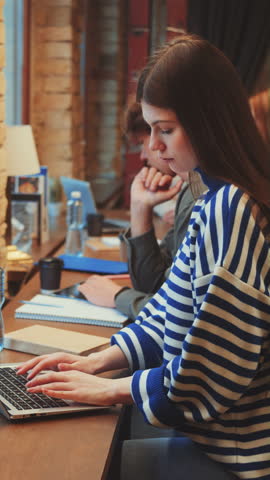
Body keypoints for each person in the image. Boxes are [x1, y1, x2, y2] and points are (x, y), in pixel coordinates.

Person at [17, 34, 270, 480]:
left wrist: (112, 389)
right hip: (218, 440)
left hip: (238, 455)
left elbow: (209, 371)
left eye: (165, 129)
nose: (154, 146)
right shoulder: (213, 196)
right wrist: (97, 362)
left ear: (208, 121)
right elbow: (168, 309)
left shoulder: (232, 208)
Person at [79, 102, 203, 320]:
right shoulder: (189, 191)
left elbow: (179, 312)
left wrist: (119, 297)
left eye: (165, 131)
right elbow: (155, 283)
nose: (148, 152)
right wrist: (139, 209)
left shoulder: (199, 197)